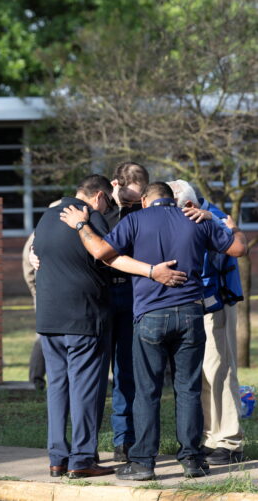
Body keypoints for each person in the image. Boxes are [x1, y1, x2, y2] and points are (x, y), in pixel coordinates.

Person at [59, 182, 247, 480]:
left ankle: (143, 463)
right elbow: (239, 248)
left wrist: (81, 224)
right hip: (191, 315)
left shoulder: (134, 219)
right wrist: (230, 226)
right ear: (173, 201)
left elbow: (100, 251)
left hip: (149, 317)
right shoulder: (195, 219)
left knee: (147, 391)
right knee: (189, 389)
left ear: (145, 201)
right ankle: (193, 460)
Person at [34, 175, 187, 479]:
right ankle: (82, 459)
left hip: (48, 318)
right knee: (85, 389)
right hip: (84, 317)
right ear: (101, 197)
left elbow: (37, 254)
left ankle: (57, 458)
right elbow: (110, 256)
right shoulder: (90, 218)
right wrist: (151, 271)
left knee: (57, 388)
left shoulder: (46, 217)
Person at [168, 180, 245, 465]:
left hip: (215, 305)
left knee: (219, 372)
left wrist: (215, 222)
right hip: (190, 307)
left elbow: (236, 246)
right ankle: (209, 437)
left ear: (188, 205)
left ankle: (228, 442)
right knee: (199, 375)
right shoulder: (191, 213)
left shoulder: (213, 217)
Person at [104, 162, 149, 461]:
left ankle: (124, 439)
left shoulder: (146, 211)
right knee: (94, 372)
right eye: (128, 200)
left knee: (126, 371)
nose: (132, 205)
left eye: (138, 200)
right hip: (101, 295)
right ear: (115, 185)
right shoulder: (98, 210)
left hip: (134, 293)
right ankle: (85, 444)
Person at [22, 232, 47, 391]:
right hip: (43, 293)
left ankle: (35, 379)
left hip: (43, 291)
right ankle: (35, 379)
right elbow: (28, 265)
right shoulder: (40, 232)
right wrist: (35, 291)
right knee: (42, 337)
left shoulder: (41, 229)